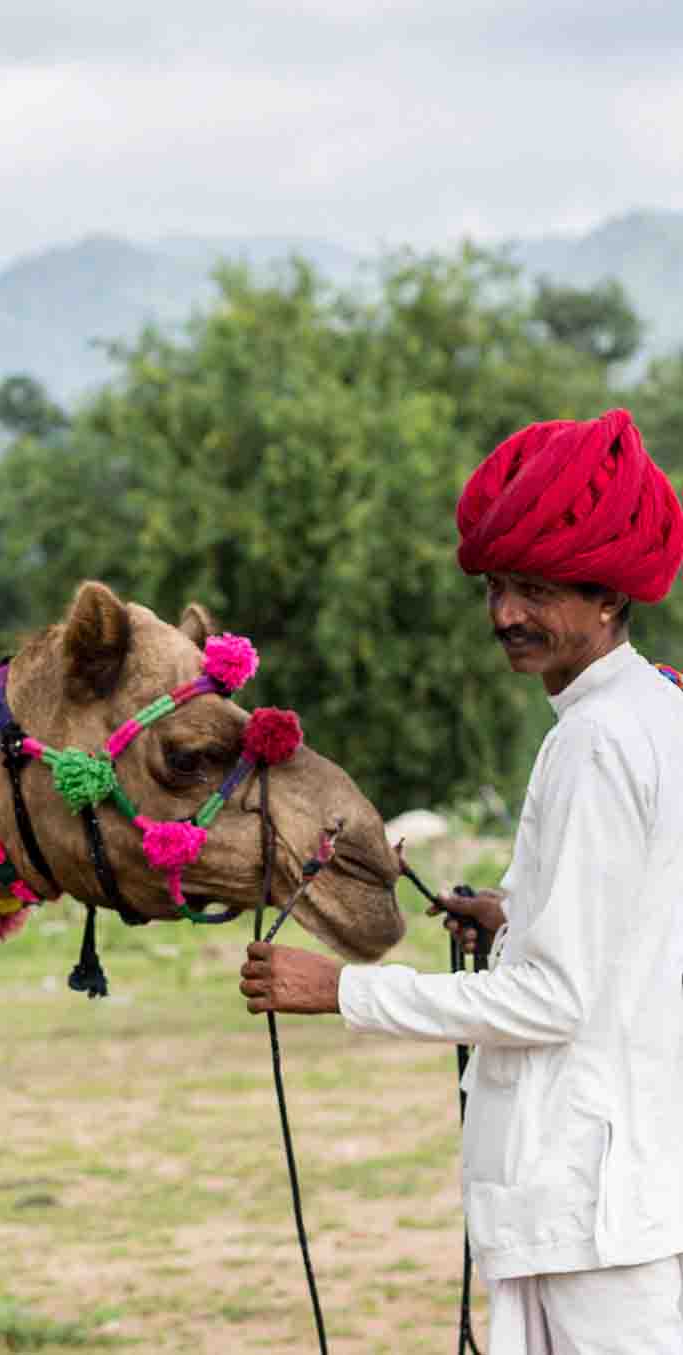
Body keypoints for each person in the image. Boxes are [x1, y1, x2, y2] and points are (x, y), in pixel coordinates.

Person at [239, 409, 683, 1353]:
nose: (505, 615)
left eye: (534, 588)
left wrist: (343, 989)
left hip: (591, 1204)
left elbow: (559, 998)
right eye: (494, 587)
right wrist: (514, 915)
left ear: (608, 594)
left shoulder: (596, 743)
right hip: (630, 1182)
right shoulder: (659, 708)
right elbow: (642, 916)